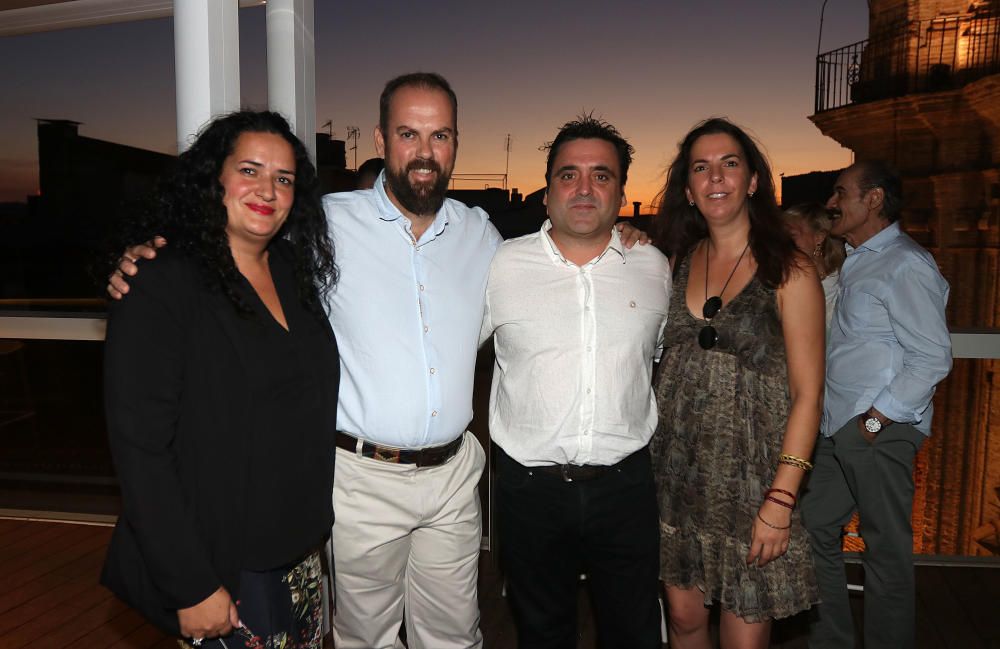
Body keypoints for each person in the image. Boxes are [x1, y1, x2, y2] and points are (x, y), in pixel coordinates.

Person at [106, 73, 648, 649]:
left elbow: (557, 250)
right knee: (367, 639)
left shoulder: (482, 235)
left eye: (440, 136)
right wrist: (147, 252)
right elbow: (227, 243)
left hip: (453, 479)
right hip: (361, 479)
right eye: (409, 134)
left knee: (456, 637)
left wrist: (624, 232)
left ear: (456, 143)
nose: (424, 152)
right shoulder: (322, 225)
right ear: (381, 139)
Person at [101, 110, 339, 649]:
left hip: (299, 554)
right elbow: (141, 451)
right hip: (224, 565)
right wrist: (191, 585)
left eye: (283, 179)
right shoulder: (163, 282)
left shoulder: (291, 274)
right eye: (249, 170)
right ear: (214, 179)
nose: (267, 190)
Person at [480, 116, 669, 648]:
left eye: (601, 176)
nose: (584, 188)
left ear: (622, 192)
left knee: (632, 631)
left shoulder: (653, 267)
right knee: (541, 632)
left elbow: (652, 358)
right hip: (528, 490)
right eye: (568, 175)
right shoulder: (500, 266)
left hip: (626, 489)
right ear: (546, 192)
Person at [649, 117, 825, 649]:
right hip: (676, 475)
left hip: (753, 483)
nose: (716, 177)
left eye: (730, 163)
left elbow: (809, 395)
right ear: (688, 188)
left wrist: (781, 498)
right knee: (682, 621)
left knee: (745, 637)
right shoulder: (674, 262)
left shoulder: (790, 270)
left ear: (752, 181)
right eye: (701, 167)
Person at [800, 161, 952, 649]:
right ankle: (833, 641)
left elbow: (932, 356)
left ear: (875, 199)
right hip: (839, 427)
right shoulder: (858, 258)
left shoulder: (906, 263)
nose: (831, 203)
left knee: (885, 554)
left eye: (840, 192)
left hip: (875, 429)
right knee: (811, 530)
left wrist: (875, 420)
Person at [783, 202, 845, 332]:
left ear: (819, 237)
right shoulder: (782, 284)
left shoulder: (841, 291)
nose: (782, 242)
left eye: (792, 235)